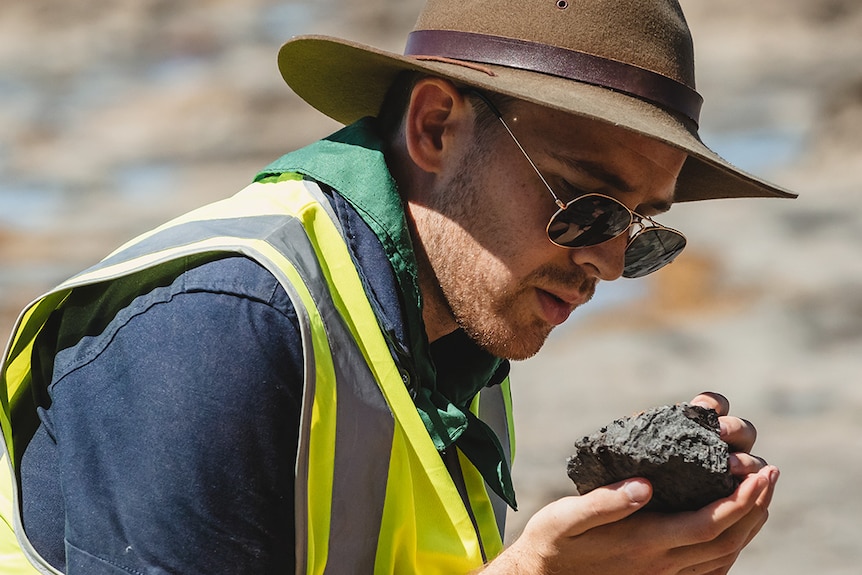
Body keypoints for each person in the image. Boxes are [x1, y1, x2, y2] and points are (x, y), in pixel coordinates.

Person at [0, 0, 795, 573]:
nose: (612, 265)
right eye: (586, 205)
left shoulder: (458, 332)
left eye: (640, 227)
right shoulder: (215, 328)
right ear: (435, 126)